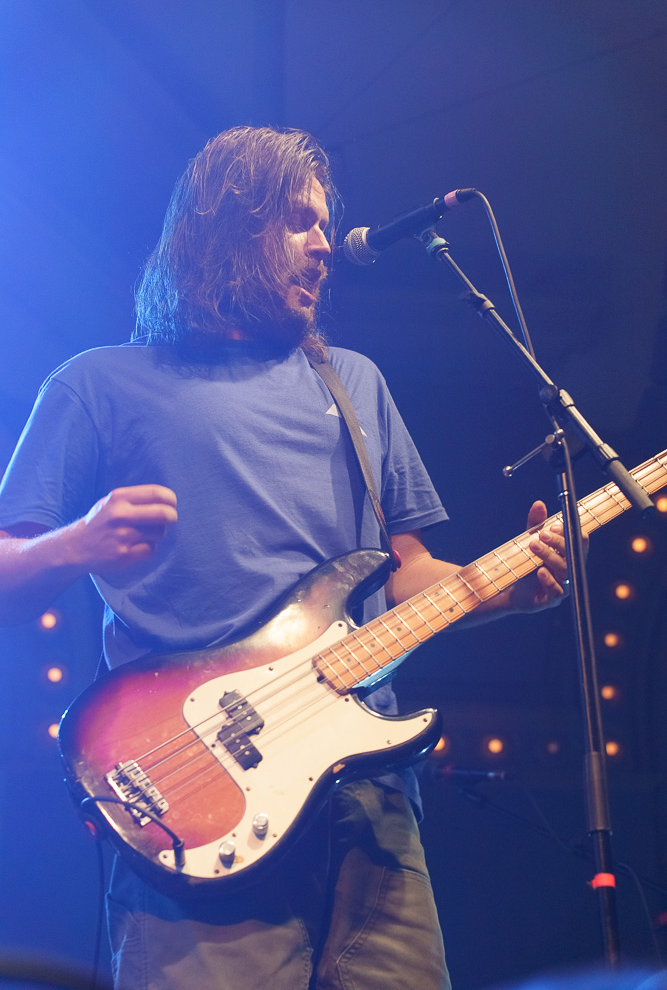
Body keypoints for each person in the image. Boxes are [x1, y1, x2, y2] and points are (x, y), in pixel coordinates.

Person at [0, 126, 572, 990]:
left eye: (324, 223)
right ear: (227, 227)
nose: (323, 247)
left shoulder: (356, 382)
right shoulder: (98, 384)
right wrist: (74, 543)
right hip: (193, 791)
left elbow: (401, 567)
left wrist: (497, 591)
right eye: (299, 223)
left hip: (368, 798)